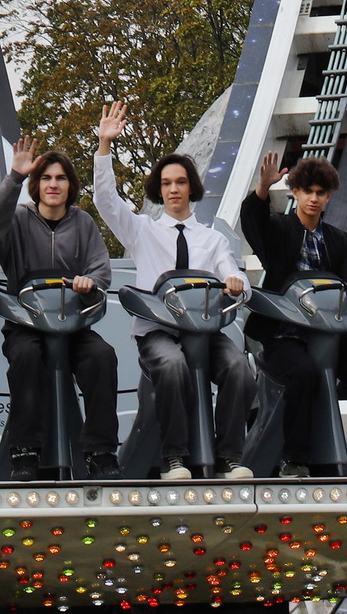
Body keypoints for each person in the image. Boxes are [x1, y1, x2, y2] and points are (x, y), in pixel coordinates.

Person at [90, 100, 257, 482]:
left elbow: (237, 279)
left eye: (180, 182)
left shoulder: (212, 239)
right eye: (166, 183)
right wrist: (104, 147)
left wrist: (236, 284)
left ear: (191, 187)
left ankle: (230, 456)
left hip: (205, 332)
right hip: (158, 333)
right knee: (172, 365)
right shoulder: (142, 231)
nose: (173, 189)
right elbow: (105, 202)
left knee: (239, 369)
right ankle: (175, 458)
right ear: (158, 190)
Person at [241, 153, 347, 477]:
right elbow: (254, 224)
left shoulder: (337, 240)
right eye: (307, 190)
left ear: (328, 197)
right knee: (304, 373)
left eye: (320, 192)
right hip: (283, 335)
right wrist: (262, 189)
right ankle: (294, 460)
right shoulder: (280, 230)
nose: (313, 198)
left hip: (328, 336)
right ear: (294, 192)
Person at [0, 137, 119, 480]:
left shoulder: (83, 223)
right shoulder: (17, 221)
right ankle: (25, 451)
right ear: (36, 185)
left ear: (70, 185)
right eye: (46, 178)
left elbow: (101, 268)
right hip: (27, 324)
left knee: (102, 356)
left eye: (60, 178)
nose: (53, 185)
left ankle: (100, 451)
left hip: (73, 324)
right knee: (26, 358)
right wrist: (14, 176)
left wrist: (89, 282)